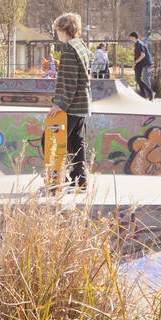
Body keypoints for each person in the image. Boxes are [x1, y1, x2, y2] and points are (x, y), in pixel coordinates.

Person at [50, 12, 92, 189]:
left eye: (57, 30)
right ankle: (80, 179)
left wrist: (59, 104)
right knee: (76, 142)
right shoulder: (81, 45)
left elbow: (69, 81)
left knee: (51, 141)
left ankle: (56, 179)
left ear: (63, 30)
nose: (56, 34)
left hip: (71, 106)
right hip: (83, 104)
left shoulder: (68, 49)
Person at [129, 31, 155, 101]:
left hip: (145, 63)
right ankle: (143, 96)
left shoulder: (139, 44)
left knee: (141, 79)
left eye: (131, 38)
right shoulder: (137, 44)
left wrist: (135, 62)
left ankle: (150, 93)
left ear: (134, 37)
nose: (130, 39)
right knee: (138, 79)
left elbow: (143, 55)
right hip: (141, 63)